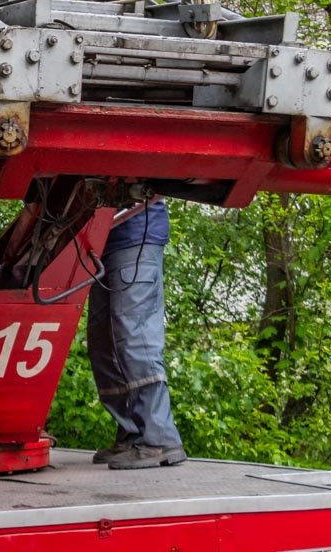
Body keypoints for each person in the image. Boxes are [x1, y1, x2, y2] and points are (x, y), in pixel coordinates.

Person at [87, 199, 186, 470]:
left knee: (135, 335)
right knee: (102, 341)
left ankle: (159, 439)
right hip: (102, 244)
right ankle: (132, 433)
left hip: (134, 237)